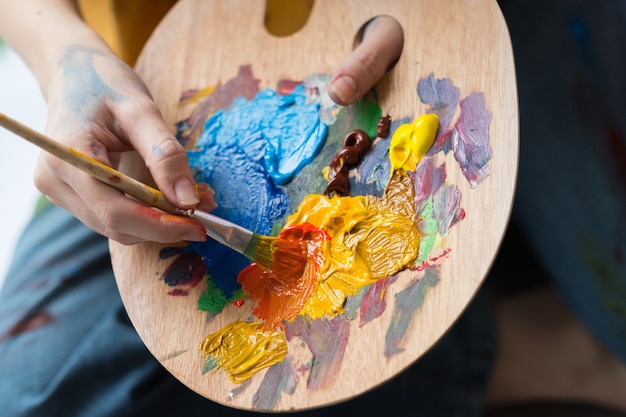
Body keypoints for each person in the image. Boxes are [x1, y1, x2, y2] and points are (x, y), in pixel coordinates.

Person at [1, 1, 625, 417]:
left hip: (462, 17)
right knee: (33, 392)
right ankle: (505, 350)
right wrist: (67, 62)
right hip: (158, 94)